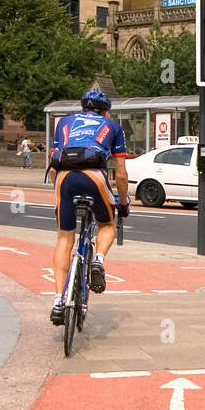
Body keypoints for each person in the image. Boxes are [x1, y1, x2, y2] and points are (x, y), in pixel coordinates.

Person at [47, 88, 131, 326]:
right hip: (94, 175)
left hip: (64, 177)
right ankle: (98, 260)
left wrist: (61, 195)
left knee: (64, 237)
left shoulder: (64, 123)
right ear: (106, 111)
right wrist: (123, 203)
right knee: (106, 224)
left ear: (82, 107)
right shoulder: (111, 127)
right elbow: (122, 174)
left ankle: (57, 301)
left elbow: (53, 167)